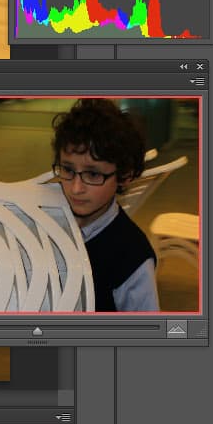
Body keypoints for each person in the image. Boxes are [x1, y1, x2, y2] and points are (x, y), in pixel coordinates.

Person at [49, 99, 159, 312]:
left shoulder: (133, 258)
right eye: (68, 170)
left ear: (124, 175)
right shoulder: (46, 220)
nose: (76, 188)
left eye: (93, 174)